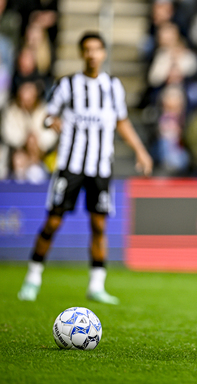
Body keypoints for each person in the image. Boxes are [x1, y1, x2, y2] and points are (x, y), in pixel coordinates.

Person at [17, 32, 153, 304]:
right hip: (70, 165)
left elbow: (121, 121)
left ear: (103, 53)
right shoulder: (67, 84)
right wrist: (50, 123)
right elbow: (47, 115)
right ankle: (32, 278)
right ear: (82, 54)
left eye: (97, 49)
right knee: (53, 220)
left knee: (98, 224)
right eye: (87, 50)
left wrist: (140, 150)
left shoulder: (113, 86)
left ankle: (96, 285)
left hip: (100, 167)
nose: (92, 54)